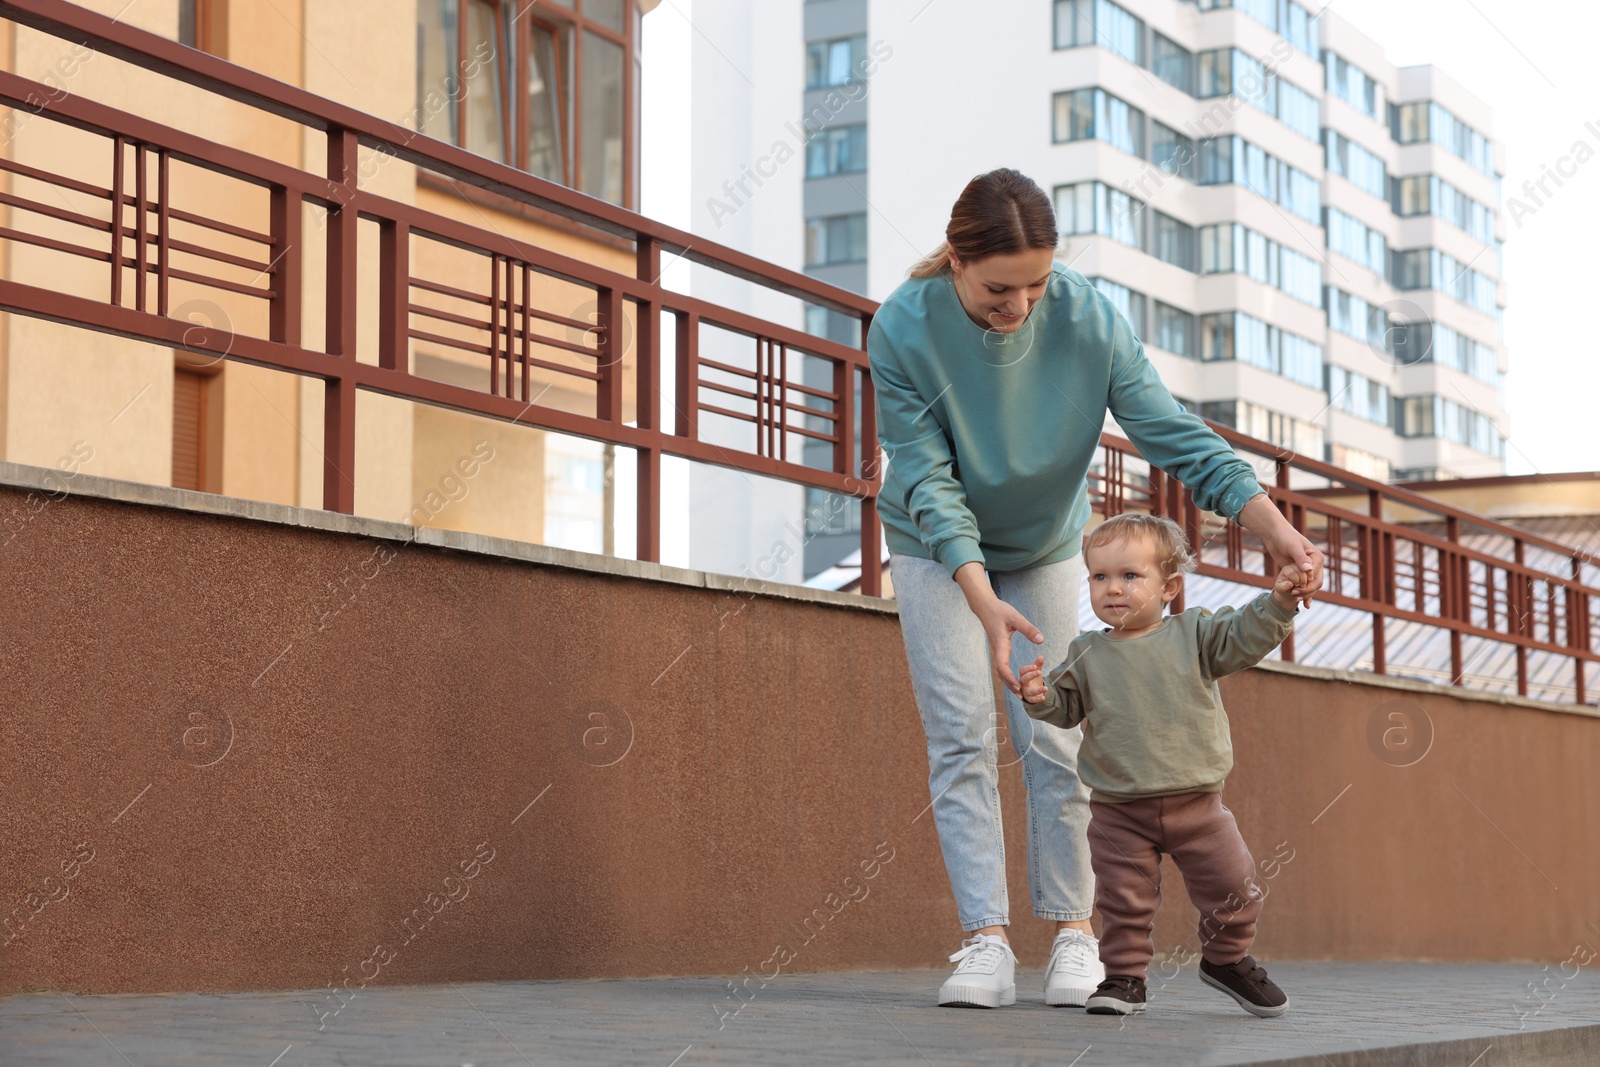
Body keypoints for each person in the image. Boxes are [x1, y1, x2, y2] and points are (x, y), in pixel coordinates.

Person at [868, 167, 1324, 1009]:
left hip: (1043, 541)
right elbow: (928, 479)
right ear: (957, 263)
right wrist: (978, 594)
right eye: (999, 289)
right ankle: (985, 941)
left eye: (1037, 283)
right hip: (937, 548)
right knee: (961, 734)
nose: (1021, 306)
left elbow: (1169, 430)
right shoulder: (902, 326)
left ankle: (1075, 932)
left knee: (1054, 735)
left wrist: (1274, 527)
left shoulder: (1082, 315)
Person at [1019, 513, 1302, 1017]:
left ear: (1169, 586)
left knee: (1235, 889)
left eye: (1130, 575)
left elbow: (1245, 633)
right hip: (1117, 812)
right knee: (1123, 903)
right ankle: (1125, 979)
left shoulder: (1195, 635)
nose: (1112, 588)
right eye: (1099, 577)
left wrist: (1279, 600)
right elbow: (1063, 709)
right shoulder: (1086, 652)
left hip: (1198, 807)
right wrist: (1038, 697)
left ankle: (1226, 959)